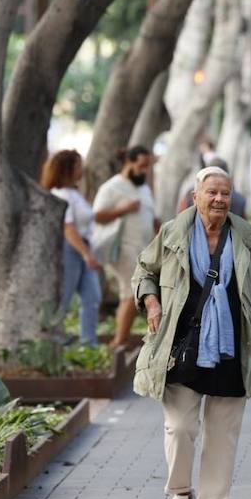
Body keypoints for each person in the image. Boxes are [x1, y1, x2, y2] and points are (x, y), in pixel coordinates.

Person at [133, 166, 251, 499]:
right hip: (181, 345)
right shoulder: (172, 233)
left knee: (222, 435)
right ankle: (180, 494)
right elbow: (144, 273)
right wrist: (151, 304)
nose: (218, 199)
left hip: (233, 345)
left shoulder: (245, 235)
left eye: (225, 193)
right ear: (195, 196)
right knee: (179, 428)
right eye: (211, 192)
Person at [92, 146, 157, 350]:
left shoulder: (144, 188)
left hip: (142, 249)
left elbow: (152, 218)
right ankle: (119, 341)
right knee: (133, 291)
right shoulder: (112, 187)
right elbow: (98, 215)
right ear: (128, 162)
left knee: (128, 294)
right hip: (122, 249)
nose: (145, 170)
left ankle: (120, 340)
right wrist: (124, 209)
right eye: (141, 166)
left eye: (148, 166)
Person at [43, 150, 101, 346]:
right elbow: (68, 229)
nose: (82, 169)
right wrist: (86, 254)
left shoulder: (74, 194)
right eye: (78, 165)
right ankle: (53, 341)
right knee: (64, 298)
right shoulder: (60, 196)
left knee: (92, 297)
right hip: (70, 250)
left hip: (83, 247)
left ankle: (89, 342)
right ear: (67, 168)